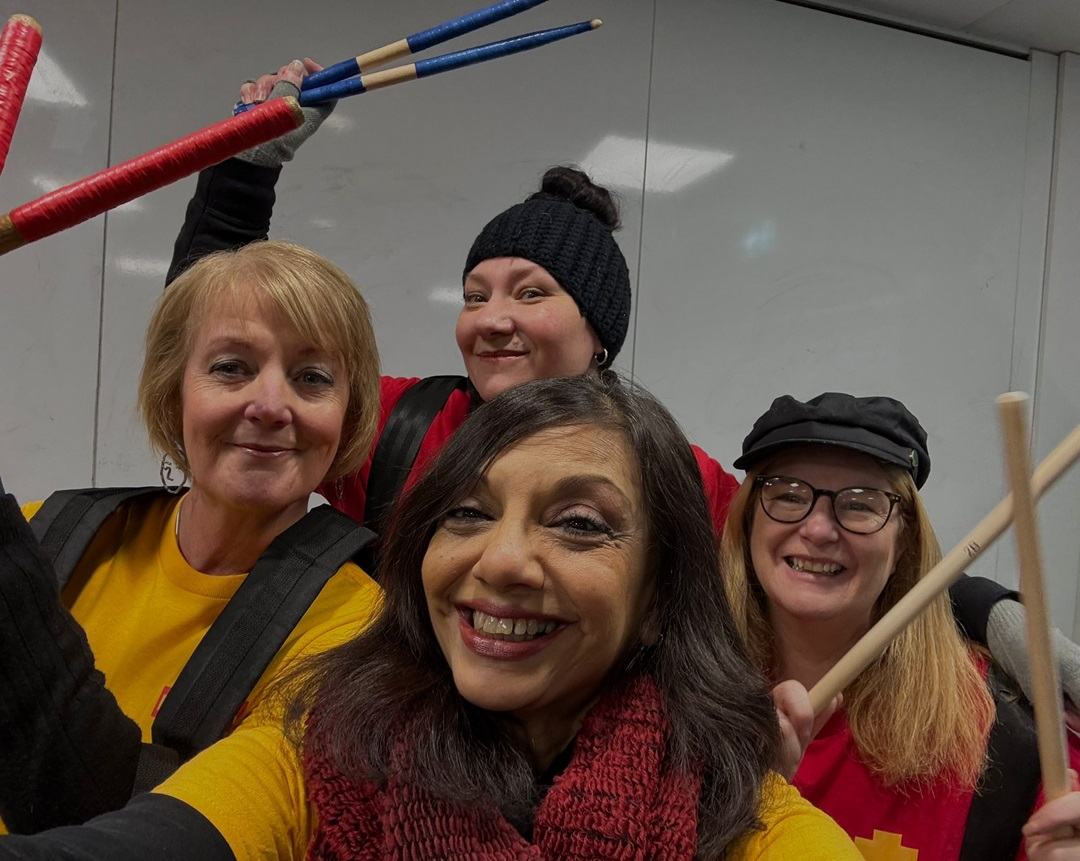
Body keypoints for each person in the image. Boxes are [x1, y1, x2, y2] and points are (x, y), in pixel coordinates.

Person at [166, 61, 1080, 720]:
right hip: (381, 754)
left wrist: (994, 614)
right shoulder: (401, 423)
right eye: (475, 292)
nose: (493, 317)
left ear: (600, 335)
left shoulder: (661, 469)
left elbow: (828, 542)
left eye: (531, 293)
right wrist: (245, 174)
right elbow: (216, 345)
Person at [0, 375, 864, 860]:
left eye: (579, 524)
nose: (500, 560)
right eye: (468, 512)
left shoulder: (735, 816)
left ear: (656, 602)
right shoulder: (319, 745)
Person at [0, 240, 383, 833]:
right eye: (231, 367)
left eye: (312, 378)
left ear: (348, 415)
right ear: (172, 389)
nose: (271, 405)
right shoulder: (44, 531)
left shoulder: (357, 631)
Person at [719, 391, 1080, 860]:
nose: (820, 529)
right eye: (788, 495)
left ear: (904, 538)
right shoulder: (677, 702)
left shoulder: (1003, 735)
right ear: (747, 519)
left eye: (860, 504)